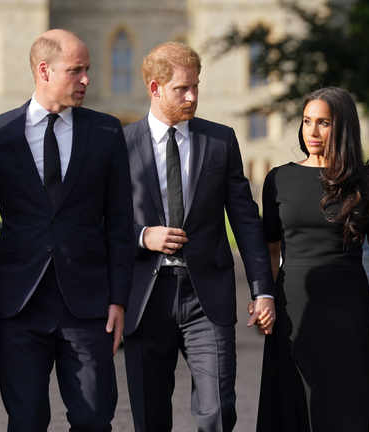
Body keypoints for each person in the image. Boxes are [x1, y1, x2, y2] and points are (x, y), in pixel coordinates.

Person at [0, 29, 133, 431]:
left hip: (89, 304)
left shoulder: (107, 131)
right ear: (44, 70)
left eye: (87, 70)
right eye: (76, 70)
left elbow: (119, 223)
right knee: (25, 420)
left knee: (94, 418)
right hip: (19, 304)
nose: (86, 80)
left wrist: (119, 299)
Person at [122, 42, 275, 432]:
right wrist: (142, 236)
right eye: (181, 89)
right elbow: (98, 221)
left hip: (206, 298)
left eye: (196, 87)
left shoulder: (220, 141)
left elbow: (245, 220)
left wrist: (262, 289)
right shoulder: (119, 146)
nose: (192, 97)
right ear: (155, 88)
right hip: (145, 297)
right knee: (149, 416)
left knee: (219, 412)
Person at [256, 86, 369, 431]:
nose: (311, 132)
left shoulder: (368, 185)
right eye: (307, 121)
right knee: (291, 408)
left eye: (323, 123)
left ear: (342, 127)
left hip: (348, 312)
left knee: (345, 410)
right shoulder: (278, 179)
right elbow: (270, 252)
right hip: (293, 310)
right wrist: (262, 298)